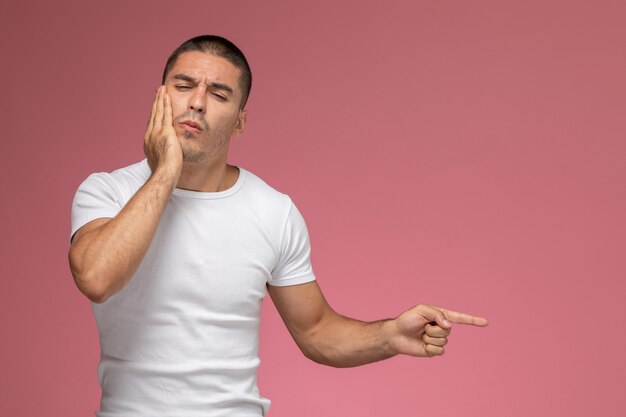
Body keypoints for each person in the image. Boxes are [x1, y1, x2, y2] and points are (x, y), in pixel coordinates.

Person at [68, 35, 488, 417]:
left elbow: (317, 331)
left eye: (218, 94)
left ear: (240, 122)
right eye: (183, 86)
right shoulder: (107, 192)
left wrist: (391, 335)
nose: (196, 102)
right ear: (159, 98)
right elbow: (97, 277)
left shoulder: (272, 211)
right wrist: (166, 172)